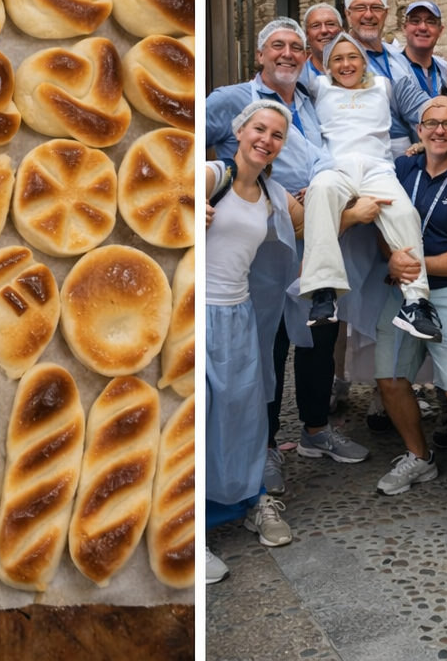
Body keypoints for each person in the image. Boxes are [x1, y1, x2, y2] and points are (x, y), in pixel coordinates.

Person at [205, 18, 372, 491]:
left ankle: (316, 429)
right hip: (260, 240)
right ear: (259, 55)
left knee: (320, 334)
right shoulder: (230, 99)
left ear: (305, 57)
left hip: (313, 235)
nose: (287, 54)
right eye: (277, 46)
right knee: (269, 343)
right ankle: (266, 445)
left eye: (296, 48)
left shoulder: (311, 100)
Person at [370, 98, 447, 549]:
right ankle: (420, 456)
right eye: (432, 123)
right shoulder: (403, 171)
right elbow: (382, 226)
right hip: (403, 287)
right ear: (419, 130)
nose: (440, 130)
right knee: (388, 377)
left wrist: (413, 263)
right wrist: (393, 258)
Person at [205, 100, 306, 584]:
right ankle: (187, 532)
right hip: (198, 311)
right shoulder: (209, 175)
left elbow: (317, 227)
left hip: (241, 314)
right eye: (258, 130)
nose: (266, 140)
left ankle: (248, 502)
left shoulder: (273, 195)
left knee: (242, 414)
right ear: (239, 131)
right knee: (197, 418)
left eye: (276, 135)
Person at [299, 33, 442, 339]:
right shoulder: (318, 87)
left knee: (405, 214)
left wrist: (435, 134)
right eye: (337, 59)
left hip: (378, 169)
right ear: (327, 67)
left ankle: (416, 301)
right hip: (336, 167)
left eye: (353, 57)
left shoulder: (383, 85)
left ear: (364, 62)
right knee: (320, 190)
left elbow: (420, 108)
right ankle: (323, 291)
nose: (346, 64)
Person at [343, 0, 430, 153]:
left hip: (406, 151)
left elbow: (415, 104)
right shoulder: (340, 61)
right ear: (347, 14)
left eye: (376, 8)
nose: (368, 14)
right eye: (360, 8)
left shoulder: (397, 57)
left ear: (386, 13)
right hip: (362, 152)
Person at [400, 0, 447, 98]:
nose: (423, 27)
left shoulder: (446, 71)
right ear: (404, 28)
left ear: (441, 30)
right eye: (415, 21)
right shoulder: (390, 69)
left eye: (430, 22)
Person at [302, 2, 344, 82]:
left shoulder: (358, 72)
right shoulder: (298, 78)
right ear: (306, 34)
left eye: (330, 24)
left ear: (342, 31)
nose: (324, 30)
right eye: (315, 26)